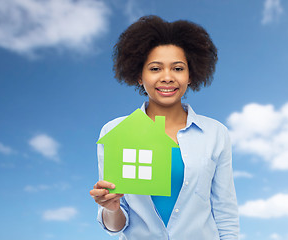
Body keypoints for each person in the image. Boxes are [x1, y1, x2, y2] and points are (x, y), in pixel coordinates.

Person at [89, 15, 239, 240]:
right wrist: (111, 208)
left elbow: (225, 212)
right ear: (139, 76)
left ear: (191, 75)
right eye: (155, 68)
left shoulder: (215, 134)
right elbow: (116, 226)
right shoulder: (115, 132)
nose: (167, 77)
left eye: (178, 68)